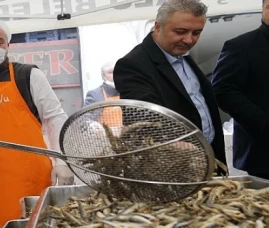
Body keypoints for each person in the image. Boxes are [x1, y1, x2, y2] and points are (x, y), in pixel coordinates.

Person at [0, 18, 74, 228]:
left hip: (25, 178)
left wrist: (61, 161)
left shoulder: (28, 75)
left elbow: (54, 117)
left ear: (7, 46)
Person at [113, 0, 227, 169]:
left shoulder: (184, 55)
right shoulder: (133, 64)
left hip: (209, 159)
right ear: (158, 27)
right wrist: (180, 147)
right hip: (173, 167)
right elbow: (141, 118)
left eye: (196, 33)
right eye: (180, 31)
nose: (188, 40)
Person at [211, 0, 269, 179]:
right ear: (263, 9)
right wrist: (264, 124)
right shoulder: (241, 46)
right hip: (263, 150)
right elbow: (223, 91)